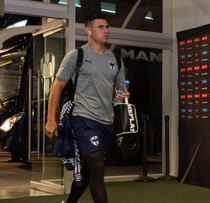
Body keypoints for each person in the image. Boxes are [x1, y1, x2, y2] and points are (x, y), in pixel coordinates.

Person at [45, 13, 128, 203]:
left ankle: (70, 201)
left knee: (87, 175)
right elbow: (57, 86)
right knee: (98, 165)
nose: (106, 31)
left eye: (107, 27)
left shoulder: (116, 59)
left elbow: (121, 88)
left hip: (107, 121)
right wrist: (51, 119)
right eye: (101, 27)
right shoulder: (77, 55)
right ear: (89, 30)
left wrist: (122, 94)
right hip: (83, 118)